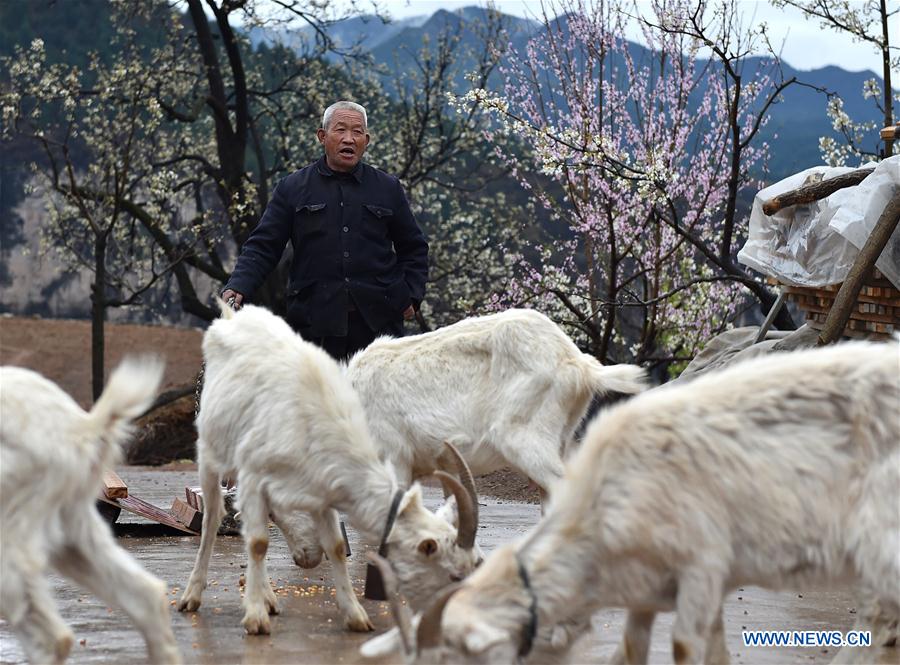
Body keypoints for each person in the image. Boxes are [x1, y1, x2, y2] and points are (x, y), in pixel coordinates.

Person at [221, 100, 428, 360]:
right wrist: (238, 286)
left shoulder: (388, 188)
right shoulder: (292, 188)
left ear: (367, 139)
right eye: (340, 130)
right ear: (322, 136)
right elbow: (264, 246)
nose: (349, 139)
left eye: (357, 132)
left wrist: (411, 295)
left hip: (379, 326)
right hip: (313, 325)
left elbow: (414, 248)